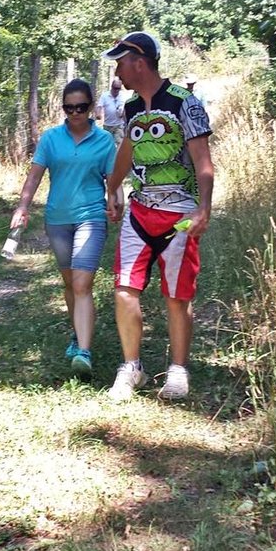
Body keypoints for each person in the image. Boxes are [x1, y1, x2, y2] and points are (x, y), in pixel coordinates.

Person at [103, 31, 213, 402]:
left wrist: (204, 207)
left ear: (139, 61)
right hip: (139, 212)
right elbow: (126, 152)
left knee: (177, 296)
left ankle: (178, 371)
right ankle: (131, 367)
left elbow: (203, 161)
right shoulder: (131, 108)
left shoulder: (186, 103)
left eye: (120, 61)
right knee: (124, 290)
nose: (117, 69)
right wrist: (112, 187)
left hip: (180, 214)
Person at [10, 78, 115, 379]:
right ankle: (76, 332)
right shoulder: (51, 139)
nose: (75, 113)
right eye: (69, 108)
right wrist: (22, 206)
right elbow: (34, 177)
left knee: (82, 284)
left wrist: (115, 200)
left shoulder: (104, 140)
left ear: (91, 107)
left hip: (91, 217)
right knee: (70, 283)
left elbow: (113, 179)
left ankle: (84, 351)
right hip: (57, 219)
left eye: (81, 107)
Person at [94, 76, 127, 146]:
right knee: (107, 144)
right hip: (107, 125)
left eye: (118, 88)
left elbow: (126, 109)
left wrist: (123, 115)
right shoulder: (105, 96)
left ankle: (118, 156)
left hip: (119, 125)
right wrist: (98, 114)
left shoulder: (123, 96)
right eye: (115, 88)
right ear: (112, 87)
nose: (116, 90)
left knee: (119, 143)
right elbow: (99, 106)